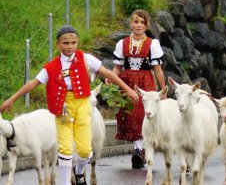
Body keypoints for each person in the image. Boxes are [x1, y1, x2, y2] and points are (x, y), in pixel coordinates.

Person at [0, 25, 139, 185]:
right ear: (58, 43)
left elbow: (107, 72)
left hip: (83, 105)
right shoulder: (51, 67)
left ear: (77, 42)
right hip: (63, 107)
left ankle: (79, 171)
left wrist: (127, 89)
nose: (70, 46)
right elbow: (33, 83)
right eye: (66, 43)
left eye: (73, 42)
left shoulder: (86, 59)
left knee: (85, 151)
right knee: (65, 149)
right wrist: (12, 99)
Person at [107, 9, 166, 168]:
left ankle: (140, 150)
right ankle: (138, 149)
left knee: (142, 114)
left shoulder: (152, 44)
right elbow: (117, 68)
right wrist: (111, 80)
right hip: (126, 82)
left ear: (147, 25)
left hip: (145, 83)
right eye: (136, 22)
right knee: (129, 115)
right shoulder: (122, 43)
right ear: (131, 23)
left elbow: (158, 70)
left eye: (142, 22)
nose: (138, 25)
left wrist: (163, 90)